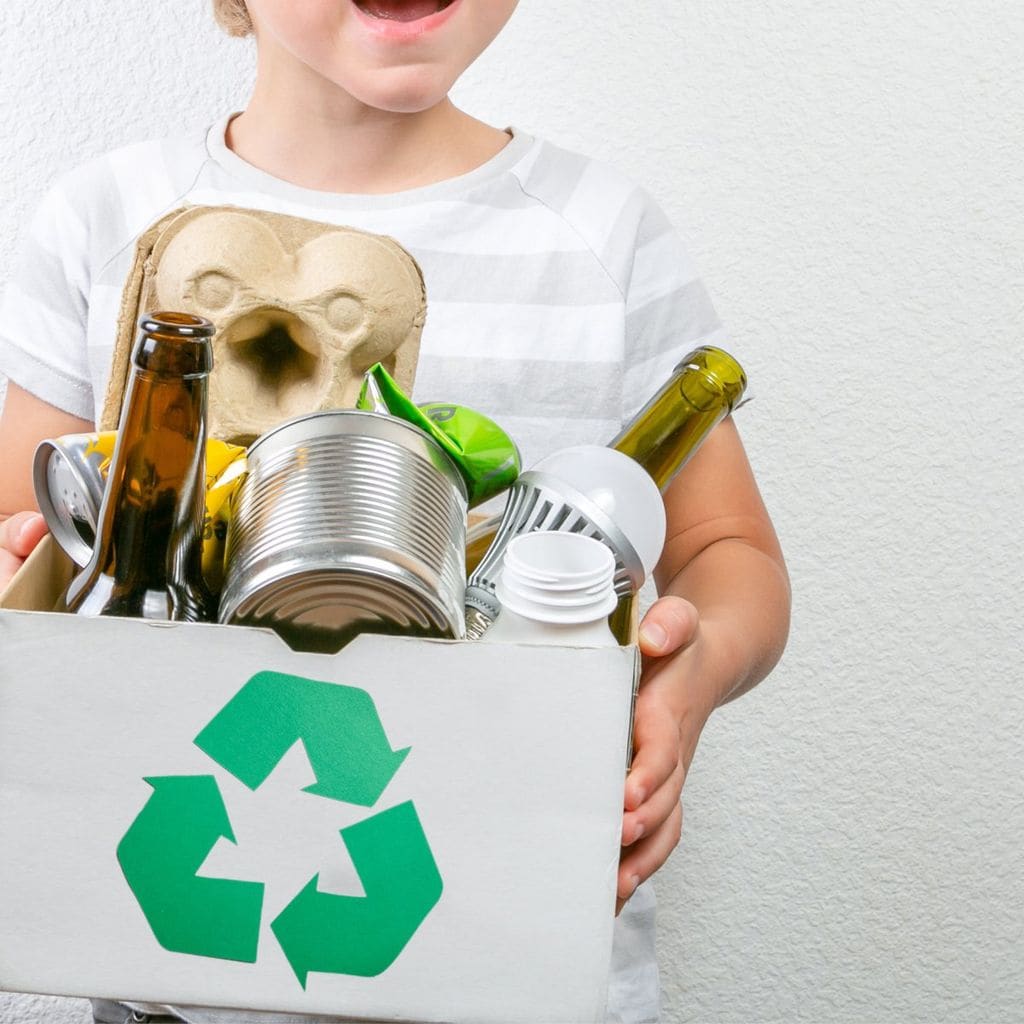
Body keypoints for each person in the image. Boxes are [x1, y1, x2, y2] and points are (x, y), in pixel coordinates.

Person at [0, 1, 791, 1021]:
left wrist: (691, 677)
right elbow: (25, 537)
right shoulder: (108, 220)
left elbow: (731, 552)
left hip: (520, 967)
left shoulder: (602, 239)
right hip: (175, 983)